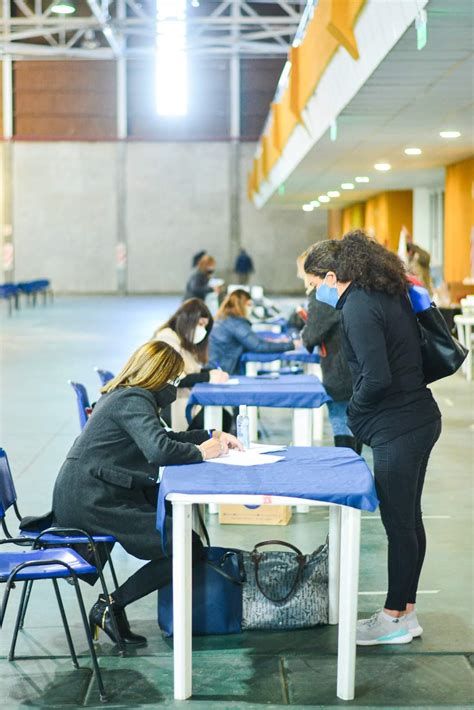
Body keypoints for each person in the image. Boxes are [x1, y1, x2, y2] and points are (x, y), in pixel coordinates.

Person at [51, 341, 242, 647]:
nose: (175, 387)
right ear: (159, 376)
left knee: (183, 540)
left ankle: (111, 607)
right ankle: (110, 606)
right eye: (174, 380)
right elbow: (158, 449)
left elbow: (162, 437)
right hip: (92, 499)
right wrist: (200, 453)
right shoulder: (133, 398)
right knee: (184, 545)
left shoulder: (124, 394)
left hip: (94, 490)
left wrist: (210, 435)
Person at [304, 230, 441, 646]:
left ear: (331, 277)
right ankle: (406, 612)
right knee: (408, 522)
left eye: (312, 285)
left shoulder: (358, 307)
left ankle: (393, 616)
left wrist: (357, 414)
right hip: (417, 417)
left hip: (397, 425)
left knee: (399, 525)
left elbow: (376, 377)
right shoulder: (385, 292)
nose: (311, 294)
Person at [296, 251, 357, 451]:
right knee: (354, 421)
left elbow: (313, 333)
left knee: (341, 418)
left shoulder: (323, 296)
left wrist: (305, 337)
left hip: (340, 367)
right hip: (354, 366)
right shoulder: (353, 291)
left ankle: (348, 468)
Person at [152, 298, 230, 431]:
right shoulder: (166, 339)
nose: (203, 330)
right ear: (187, 321)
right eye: (200, 324)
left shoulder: (182, 341)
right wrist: (208, 377)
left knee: (223, 414)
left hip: (183, 397)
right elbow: (176, 379)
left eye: (205, 326)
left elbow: (192, 370)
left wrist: (211, 372)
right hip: (170, 404)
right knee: (221, 416)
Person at [209, 288, 297, 374]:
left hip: (215, 367)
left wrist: (275, 341)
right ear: (242, 305)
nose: (251, 308)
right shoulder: (236, 323)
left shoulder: (224, 319)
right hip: (219, 371)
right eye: (249, 304)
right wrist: (291, 345)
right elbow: (258, 346)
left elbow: (251, 340)